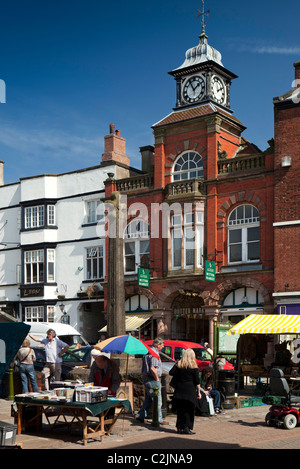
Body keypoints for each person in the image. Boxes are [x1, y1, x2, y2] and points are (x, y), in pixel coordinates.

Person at [135, 337, 169, 425]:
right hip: (152, 379)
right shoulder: (154, 354)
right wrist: (157, 379)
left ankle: (140, 415)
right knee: (157, 400)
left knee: (148, 400)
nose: (163, 346)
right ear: (158, 345)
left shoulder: (147, 353)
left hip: (147, 378)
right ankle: (158, 419)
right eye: (162, 345)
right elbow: (152, 368)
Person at [169, 348, 201, 434]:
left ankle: (179, 427)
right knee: (189, 410)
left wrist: (177, 364)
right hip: (189, 391)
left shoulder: (179, 365)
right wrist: (198, 392)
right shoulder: (194, 367)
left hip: (179, 390)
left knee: (180, 410)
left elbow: (171, 373)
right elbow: (197, 381)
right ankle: (187, 427)